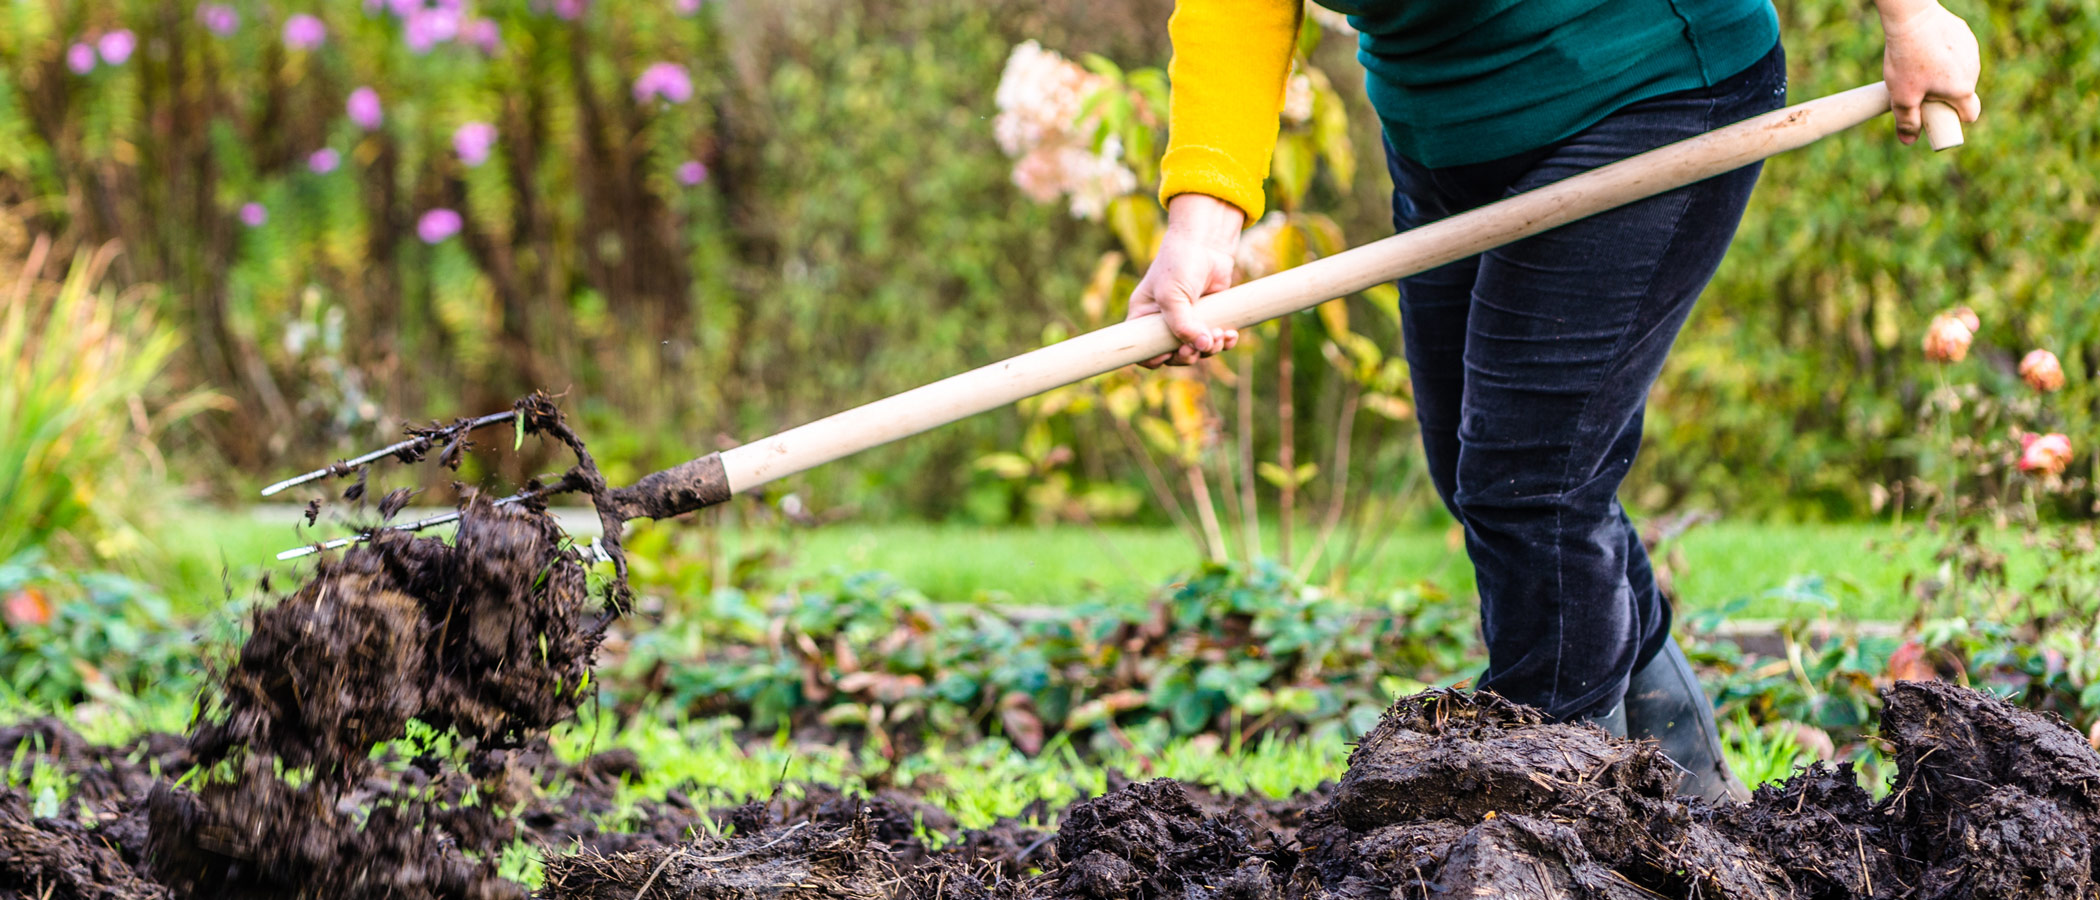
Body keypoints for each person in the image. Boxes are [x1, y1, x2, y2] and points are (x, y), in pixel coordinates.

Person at [1124, 0, 1981, 800]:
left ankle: (1560, 823)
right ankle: (1690, 807)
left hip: (1644, 85)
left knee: (1530, 485)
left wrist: (1911, 13)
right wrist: (1202, 226)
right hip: (1443, 137)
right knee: (1489, 478)